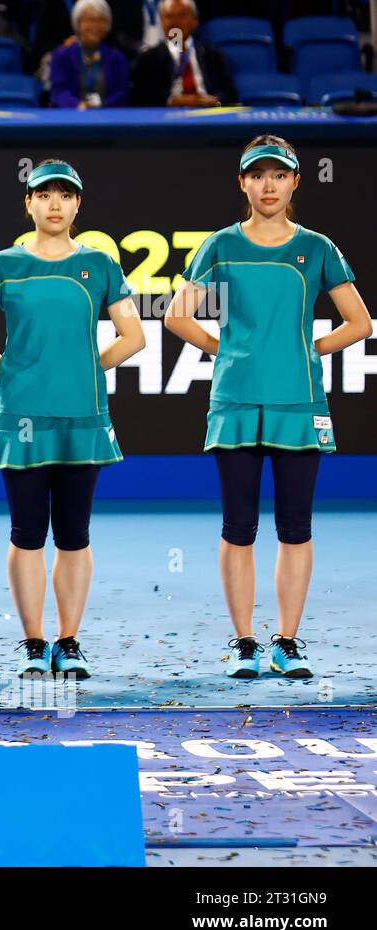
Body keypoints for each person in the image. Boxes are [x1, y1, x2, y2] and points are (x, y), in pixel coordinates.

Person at [163, 135, 372, 680]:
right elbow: (176, 316)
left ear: (295, 182)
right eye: (258, 175)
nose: (269, 185)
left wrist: (308, 349)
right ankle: (243, 642)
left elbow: (360, 322)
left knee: (295, 528)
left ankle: (287, 641)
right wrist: (226, 350)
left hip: (300, 403)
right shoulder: (220, 246)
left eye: (279, 175)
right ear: (243, 183)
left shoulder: (318, 249)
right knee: (238, 527)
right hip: (235, 402)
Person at [0, 160, 144, 679]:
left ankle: (69, 641)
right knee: (26, 534)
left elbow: (134, 336)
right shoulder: (2, 264)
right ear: (29, 204)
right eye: (45, 195)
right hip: (21, 421)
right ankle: (34, 641)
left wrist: (83, 371)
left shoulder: (101, 265)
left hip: (83, 418)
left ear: (78, 204)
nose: (55, 203)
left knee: (75, 535)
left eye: (65, 195)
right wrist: (14, 377)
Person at [129, 0, 234, 107]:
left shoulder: (213, 56)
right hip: (166, 117)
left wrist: (215, 100)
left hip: (208, 113)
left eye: (181, 15)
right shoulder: (147, 59)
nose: (175, 22)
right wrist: (172, 101)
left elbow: (229, 92)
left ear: (195, 21)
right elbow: (140, 97)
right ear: (161, 22)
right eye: (169, 16)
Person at [48, 0, 129, 110]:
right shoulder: (61, 56)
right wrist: (79, 106)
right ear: (78, 23)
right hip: (70, 118)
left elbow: (121, 94)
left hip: (109, 119)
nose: (95, 26)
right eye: (89, 20)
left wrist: (102, 104)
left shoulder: (118, 58)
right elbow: (59, 92)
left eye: (101, 20)